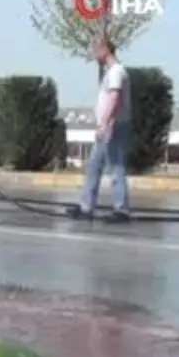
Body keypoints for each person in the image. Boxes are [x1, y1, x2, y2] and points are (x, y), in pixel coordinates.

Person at [67, 37, 132, 223]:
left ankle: (122, 210)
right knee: (94, 165)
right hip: (108, 125)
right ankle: (86, 207)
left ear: (105, 50)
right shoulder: (111, 72)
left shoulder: (116, 72)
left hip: (114, 126)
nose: (94, 54)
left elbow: (115, 98)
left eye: (96, 50)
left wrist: (106, 122)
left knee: (116, 166)